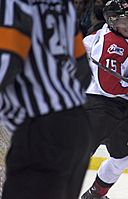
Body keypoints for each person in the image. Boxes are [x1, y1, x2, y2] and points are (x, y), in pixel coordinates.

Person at [0, 1, 92, 199]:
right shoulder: (62, 4)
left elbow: (8, 61)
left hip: (41, 131)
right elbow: (83, 70)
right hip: (76, 125)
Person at [80, 0, 128, 198]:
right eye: (123, 21)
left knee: (123, 157)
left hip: (117, 106)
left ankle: (95, 194)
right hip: (99, 105)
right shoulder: (115, 44)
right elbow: (109, 86)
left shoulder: (100, 35)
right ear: (112, 22)